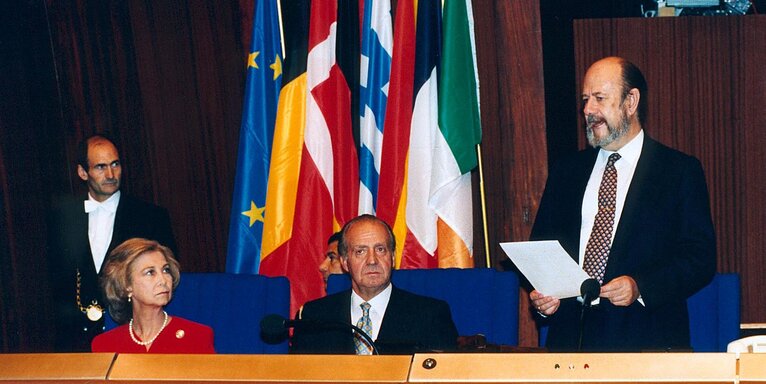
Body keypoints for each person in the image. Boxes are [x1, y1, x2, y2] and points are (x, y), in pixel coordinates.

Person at [529, 57, 716, 351]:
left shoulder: (678, 171)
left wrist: (640, 286)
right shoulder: (568, 171)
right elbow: (542, 248)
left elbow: (699, 258)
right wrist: (543, 297)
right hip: (570, 342)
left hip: (647, 341)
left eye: (599, 98)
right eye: (585, 99)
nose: (588, 110)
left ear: (631, 101)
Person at [47, 134, 177, 351]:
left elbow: (168, 275)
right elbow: (57, 281)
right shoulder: (62, 216)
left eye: (115, 164)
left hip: (131, 336)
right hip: (76, 340)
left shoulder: (151, 216)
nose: (110, 174)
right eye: (100, 167)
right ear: (82, 172)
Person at [290, 214, 458, 354]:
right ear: (345, 262)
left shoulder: (430, 315)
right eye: (360, 251)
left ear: (392, 258)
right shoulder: (314, 317)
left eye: (380, 249)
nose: (372, 260)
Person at [91, 238, 214, 353]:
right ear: (126, 285)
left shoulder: (197, 337)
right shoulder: (105, 345)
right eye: (150, 272)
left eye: (166, 270)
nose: (163, 280)